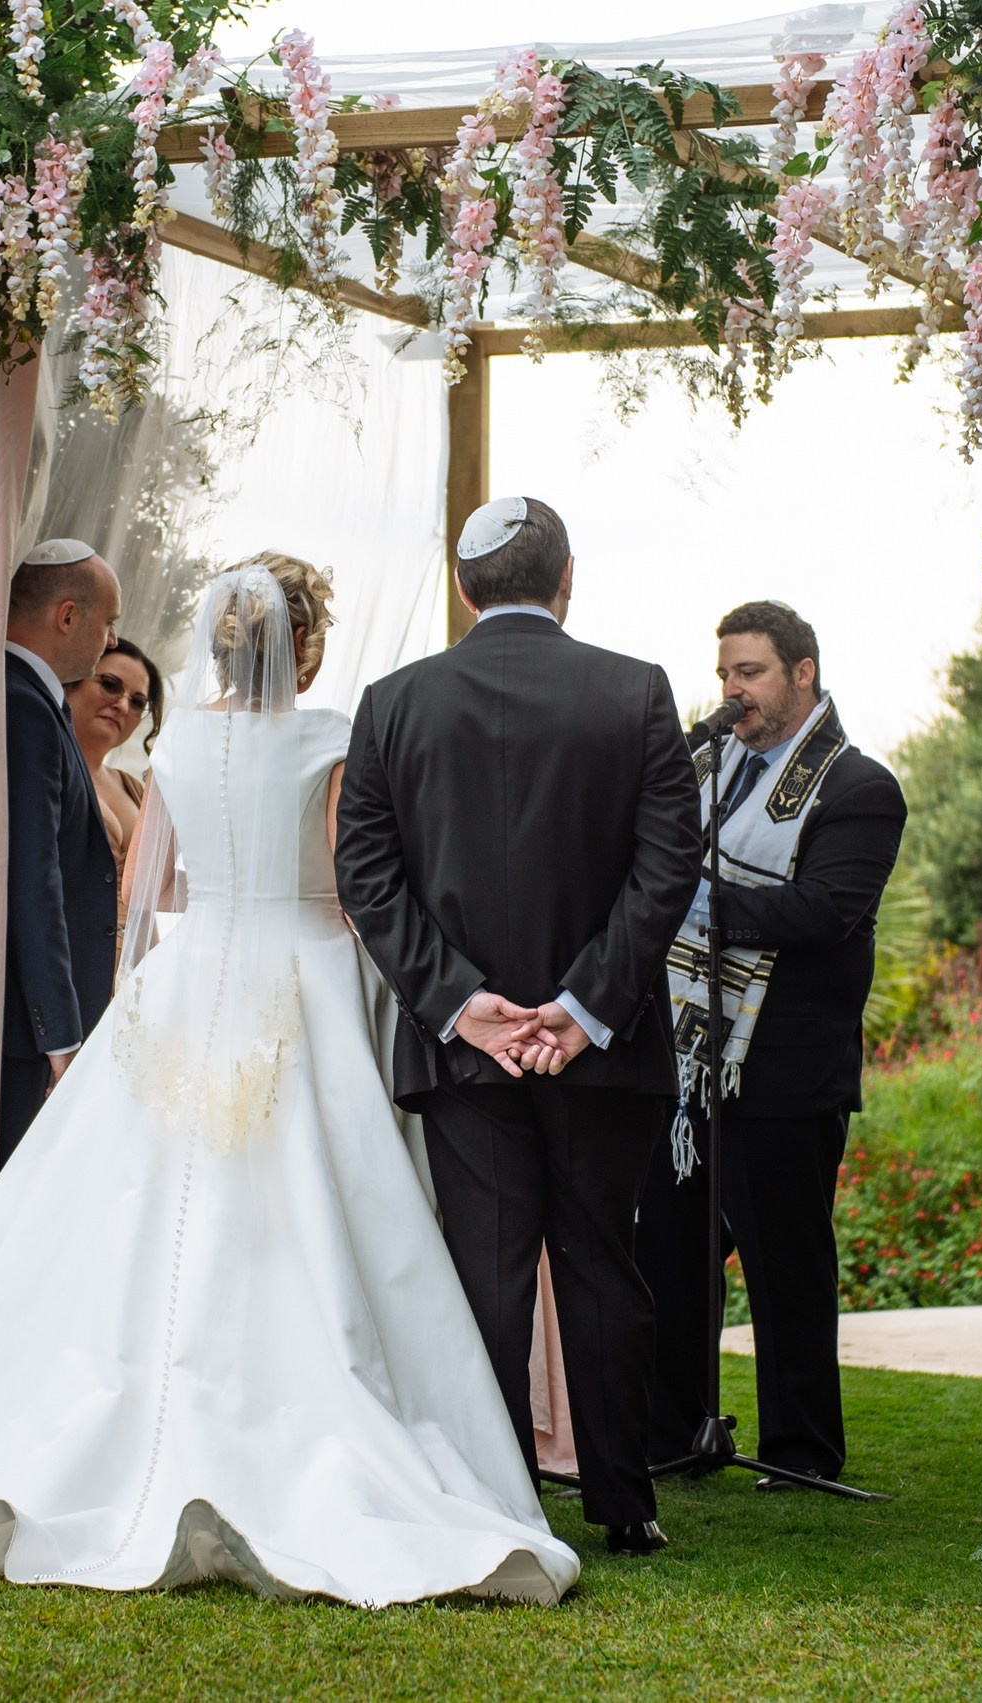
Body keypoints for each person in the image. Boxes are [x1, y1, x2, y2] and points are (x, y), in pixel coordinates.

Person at [0, 560, 580, 1608]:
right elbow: (353, 876)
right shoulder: (328, 737)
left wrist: (139, 987)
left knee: (145, 1208)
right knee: (311, 1204)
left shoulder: (176, 750)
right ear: (301, 644)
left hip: (181, 981)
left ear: (220, 645)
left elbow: (147, 890)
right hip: (303, 973)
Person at [335, 497, 703, 1558]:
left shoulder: (394, 701)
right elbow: (667, 863)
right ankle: (624, 1502)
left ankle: (492, 1494)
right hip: (603, 1042)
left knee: (486, 1267)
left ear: (464, 588)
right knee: (600, 1257)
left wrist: (461, 1005)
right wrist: (585, 1007)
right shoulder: (635, 691)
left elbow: (365, 872)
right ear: (567, 575)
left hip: (465, 1050)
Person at [636, 600, 905, 1491]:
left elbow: (824, 913)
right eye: (723, 676)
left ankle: (800, 1452)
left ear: (803, 673)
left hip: (784, 1067)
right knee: (670, 1253)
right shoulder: (704, 764)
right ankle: (675, 1430)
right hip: (686, 1066)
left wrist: (688, 900)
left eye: (748, 673)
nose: (732, 691)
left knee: (785, 1267)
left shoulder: (860, 788)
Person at [0, 539, 124, 1168]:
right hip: (26, 1031)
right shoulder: (22, 705)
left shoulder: (32, 698)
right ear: (69, 616)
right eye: (109, 623)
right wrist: (60, 1035)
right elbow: (33, 874)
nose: (110, 640)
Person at [64, 634, 163, 918]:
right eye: (110, 686)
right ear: (74, 681)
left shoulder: (132, 788)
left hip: (137, 958)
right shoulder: (48, 773)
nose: (122, 706)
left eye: (137, 702)